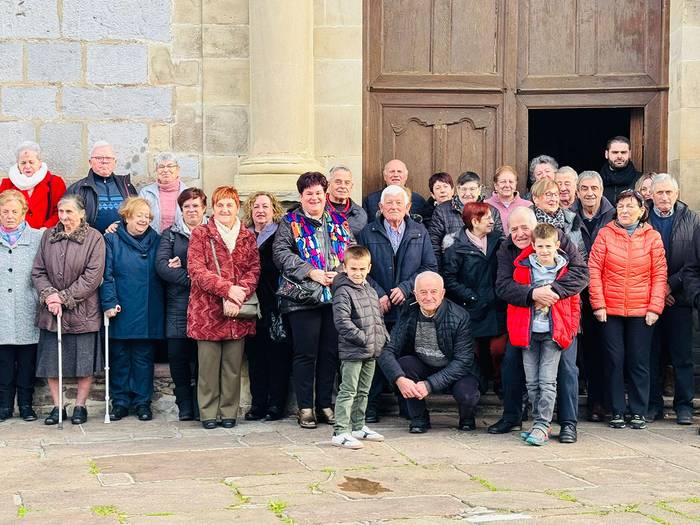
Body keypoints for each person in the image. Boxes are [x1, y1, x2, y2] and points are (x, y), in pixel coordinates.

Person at [488, 207, 588, 443]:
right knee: (511, 362)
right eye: (514, 229)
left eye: (525, 228)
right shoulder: (506, 249)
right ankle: (513, 416)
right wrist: (533, 293)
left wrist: (552, 292)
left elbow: (581, 273)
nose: (520, 233)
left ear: (535, 227)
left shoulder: (556, 237)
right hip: (524, 320)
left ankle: (568, 423)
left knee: (566, 368)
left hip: (562, 319)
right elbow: (502, 286)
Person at [273, 172, 353, 429]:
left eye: (319, 193)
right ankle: (305, 407)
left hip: (334, 297)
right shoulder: (290, 222)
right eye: (309, 194)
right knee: (305, 354)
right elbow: (281, 254)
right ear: (301, 196)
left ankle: (325, 406)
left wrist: (340, 271)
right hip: (302, 298)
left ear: (325, 195)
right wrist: (311, 272)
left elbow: (352, 251)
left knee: (330, 353)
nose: (314, 198)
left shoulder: (339, 221)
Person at [357, 184, 437, 421]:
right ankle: (370, 408)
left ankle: (407, 406)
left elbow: (430, 267)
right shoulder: (367, 233)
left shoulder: (420, 232)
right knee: (375, 355)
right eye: (388, 203)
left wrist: (405, 288)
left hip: (409, 308)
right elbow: (361, 270)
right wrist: (379, 293)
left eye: (398, 203)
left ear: (408, 207)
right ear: (380, 207)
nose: (393, 207)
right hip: (377, 307)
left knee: (405, 357)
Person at [588, 189, 667, 430]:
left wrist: (655, 307)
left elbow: (659, 274)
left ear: (642, 211)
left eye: (630, 206)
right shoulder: (604, 234)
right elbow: (594, 270)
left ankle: (638, 411)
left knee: (639, 361)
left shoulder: (652, 237)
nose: (624, 211)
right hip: (609, 309)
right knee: (614, 360)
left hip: (642, 310)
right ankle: (617, 411)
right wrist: (598, 304)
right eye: (620, 206)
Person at [188, 186, 260, 429]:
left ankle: (229, 412)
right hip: (207, 311)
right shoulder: (201, 234)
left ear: (237, 207)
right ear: (213, 208)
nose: (225, 209)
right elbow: (197, 271)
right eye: (220, 205)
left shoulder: (247, 236)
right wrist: (227, 290)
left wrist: (238, 295)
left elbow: (254, 269)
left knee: (232, 367)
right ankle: (208, 413)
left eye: (229, 205)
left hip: (237, 311)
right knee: (208, 368)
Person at [31, 194, 106, 425]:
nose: (64, 217)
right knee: (52, 362)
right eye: (61, 212)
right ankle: (57, 407)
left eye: (69, 212)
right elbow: (38, 271)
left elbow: (92, 278)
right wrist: (50, 297)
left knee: (84, 362)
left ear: (82, 213)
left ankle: (80, 407)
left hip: (83, 311)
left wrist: (62, 298)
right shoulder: (48, 236)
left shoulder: (94, 238)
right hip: (52, 311)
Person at [377, 271, 481, 433]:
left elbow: (463, 361)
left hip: (456, 371)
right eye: (423, 292)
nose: (428, 297)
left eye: (434, 292)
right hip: (424, 364)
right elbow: (387, 351)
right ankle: (419, 418)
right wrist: (399, 379)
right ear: (415, 294)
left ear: (443, 293)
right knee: (404, 366)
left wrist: (429, 385)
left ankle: (467, 417)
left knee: (467, 394)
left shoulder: (460, 316)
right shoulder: (409, 311)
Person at [509, 223, 581, 446]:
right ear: (533, 246)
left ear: (557, 246)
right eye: (540, 246)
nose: (544, 251)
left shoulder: (565, 271)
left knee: (548, 381)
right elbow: (514, 302)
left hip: (553, 334)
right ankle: (539, 423)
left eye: (548, 246)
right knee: (532, 382)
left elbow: (574, 304)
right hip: (529, 333)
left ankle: (542, 424)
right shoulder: (522, 268)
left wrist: (569, 330)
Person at [101, 198, 164, 422]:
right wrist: (109, 302)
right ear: (127, 216)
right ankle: (120, 402)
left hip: (148, 307)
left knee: (143, 358)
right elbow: (105, 274)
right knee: (119, 357)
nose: (143, 219)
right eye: (139, 215)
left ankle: (142, 402)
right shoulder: (111, 239)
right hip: (121, 306)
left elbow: (164, 265)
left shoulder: (157, 240)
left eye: (147, 216)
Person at [646, 173, 700, 424]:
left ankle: (684, 406)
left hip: (680, 298)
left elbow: (694, 262)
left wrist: (670, 286)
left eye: (669, 192)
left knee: (682, 357)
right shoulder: (642, 218)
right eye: (660, 192)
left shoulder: (692, 220)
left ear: (677, 194)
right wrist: (658, 289)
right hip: (648, 299)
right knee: (651, 354)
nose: (664, 197)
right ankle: (653, 405)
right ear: (652, 195)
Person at [442, 201, 506, 396]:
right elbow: (449, 279)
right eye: (487, 217)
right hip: (472, 308)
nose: (492, 221)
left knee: (498, 350)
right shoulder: (456, 248)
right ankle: (479, 386)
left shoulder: (497, 241)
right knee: (476, 352)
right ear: (474, 221)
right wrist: (470, 296)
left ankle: (500, 384)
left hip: (496, 307)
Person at [155, 187, 208, 421]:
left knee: (203, 357)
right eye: (187, 206)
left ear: (204, 208)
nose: (191, 210)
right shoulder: (171, 234)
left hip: (207, 306)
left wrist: (185, 269)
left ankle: (201, 405)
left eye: (196, 206)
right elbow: (162, 266)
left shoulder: (212, 232)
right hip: (177, 305)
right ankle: (184, 405)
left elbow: (218, 267)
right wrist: (195, 279)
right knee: (177, 356)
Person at [330, 245, 389, 449]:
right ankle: (340, 431)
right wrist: (363, 338)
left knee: (364, 390)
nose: (358, 273)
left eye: (362, 269)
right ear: (345, 267)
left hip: (371, 350)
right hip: (353, 350)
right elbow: (342, 322)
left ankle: (358, 426)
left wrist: (382, 338)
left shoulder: (370, 290)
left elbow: (377, 318)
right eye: (353, 269)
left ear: (369, 268)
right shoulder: (343, 292)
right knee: (348, 390)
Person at [241, 191, 292, 422]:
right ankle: (258, 403)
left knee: (277, 356)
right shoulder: (244, 236)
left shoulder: (281, 234)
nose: (260, 210)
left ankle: (276, 405)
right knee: (255, 357)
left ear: (274, 210)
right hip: (251, 305)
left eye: (265, 206)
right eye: (256, 207)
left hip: (275, 304)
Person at [570, 171, 615, 422]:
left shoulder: (613, 216)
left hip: (605, 291)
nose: (589, 193)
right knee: (577, 350)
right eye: (584, 188)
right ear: (577, 192)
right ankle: (570, 403)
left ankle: (600, 403)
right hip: (575, 290)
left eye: (594, 188)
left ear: (601, 190)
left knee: (603, 349)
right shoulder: (569, 217)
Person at [0, 191, 42, 422]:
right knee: (4, 362)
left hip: (28, 306)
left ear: (24, 212)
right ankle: (5, 406)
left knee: (27, 361)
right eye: (4, 212)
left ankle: (26, 405)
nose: (9, 216)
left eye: (15, 211)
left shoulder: (36, 237)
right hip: (2, 309)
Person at [428, 171, 503, 268]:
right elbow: (433, 244)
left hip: (485, 271)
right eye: (464, 189)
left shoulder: (492, 211)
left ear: (479, 189)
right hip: (452, 270)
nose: (468, 194)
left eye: (472, 189)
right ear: (458, 190)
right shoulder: (442, 211)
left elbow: (500, 242)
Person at [65, 141, 137, 233]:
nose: (104, 161)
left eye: (108, 158)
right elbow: (69, 220)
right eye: (99, 158)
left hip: (122, 243)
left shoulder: (126, 186)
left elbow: (136, 215)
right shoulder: (77, 189)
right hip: (91, 243)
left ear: (115, 162)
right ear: (90, 162)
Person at [0, 141, 66, 229]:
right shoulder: (7, 184)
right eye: (23, 163)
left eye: (31, 162)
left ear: (39, 163)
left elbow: (61, 210)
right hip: (15, 235)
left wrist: (45, 229)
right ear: (18, 164)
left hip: (47, 235)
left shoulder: (55, 183)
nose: (27, 166)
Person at [530, 178, 585, 257]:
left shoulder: (572, 220)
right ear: (535, 199)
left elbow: (582, 254)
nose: (553, 199)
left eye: (556, 194)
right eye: (548, 194)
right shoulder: (528, 222)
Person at [139, 153, 189, 234]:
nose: (165, 170)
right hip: (152, 242)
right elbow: (137, 217)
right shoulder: (146, 193)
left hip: (180, 241)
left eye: (170, 166)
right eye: (161, 167)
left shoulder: (188, 193)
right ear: (156, 170)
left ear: (177, 169)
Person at [362, 159, 427, 221]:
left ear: (406, 176)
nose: (396, 175)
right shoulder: (370, 201)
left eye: (399, 171)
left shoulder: (418, 200)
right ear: (385, 176)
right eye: (392, 171)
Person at [325, 165, 367, 236]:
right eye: (338, 182)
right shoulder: (318, 209)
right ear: (329, 184)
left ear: (351, 186)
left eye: (347, 183)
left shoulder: (360, 214)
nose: (343, 186)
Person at [600, 136, 641, 204]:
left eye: (623, 152)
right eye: (615, 152)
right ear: (606, 154)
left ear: (630, 154)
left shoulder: (640, 180)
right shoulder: (598, 181)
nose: (619, 156)